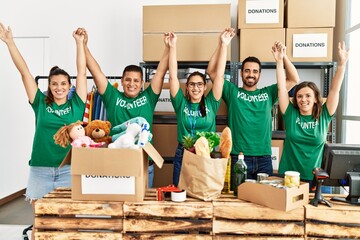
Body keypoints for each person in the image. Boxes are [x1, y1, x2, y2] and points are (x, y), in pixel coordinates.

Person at [0, 23, 87, 238]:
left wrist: (79, 44)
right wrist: (10, 42)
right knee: (41, 222)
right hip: (40, 170)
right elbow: (24, 72)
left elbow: (82, 72)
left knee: (68, 221)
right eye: (55, 84)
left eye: (63, 84)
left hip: (68, 169)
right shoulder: (40, 103)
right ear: (49, 85)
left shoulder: (77, 104)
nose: (59, 88)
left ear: (69, 86)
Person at [79, 28, 170, 188]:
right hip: (118, 161)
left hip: (143, 162)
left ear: (142, 83)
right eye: (128, 80)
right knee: (118, 205)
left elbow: (161, 72)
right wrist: (84, 45)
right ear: (122, 81)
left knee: (141, 208)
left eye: (136, 81)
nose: (132, 84)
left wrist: (168, 47)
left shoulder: (148, 97)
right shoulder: (113, 96)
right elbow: (95, 71)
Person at [209, 44, 300, 183]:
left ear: (259, 74)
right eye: (247, 71)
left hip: (264, 158)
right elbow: (212, 72)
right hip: (238, 157)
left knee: (263, 201)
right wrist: (222, 44)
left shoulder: (269, 93)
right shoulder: (232, 92)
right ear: (241, 73)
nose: (251, 74)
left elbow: (294, 79)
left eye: (255, 71)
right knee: (237, 199)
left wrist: (282, 57)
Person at [273, 41, 349, 183]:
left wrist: (341, 65)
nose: (303, 99)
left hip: (315, 179)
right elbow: (281, 89)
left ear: (315, 99)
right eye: (299, 96)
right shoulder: (291, 114)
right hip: (289, 178)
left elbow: (334, 90)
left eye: (308, 96)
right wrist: (279, 61)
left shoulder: (324, 115)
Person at [169, 28, 235, 186]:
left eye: (200, 84)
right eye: (192, 84)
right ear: (187, 87)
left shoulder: (212, 102)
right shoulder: (180, 103)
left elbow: (219, 76)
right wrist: (172, 47)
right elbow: (172, 76)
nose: (196, 88)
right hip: (183, 153)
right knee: (180, 192)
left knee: (203, 193)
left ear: (205, 87)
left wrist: (224, 45)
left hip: (206, 155)